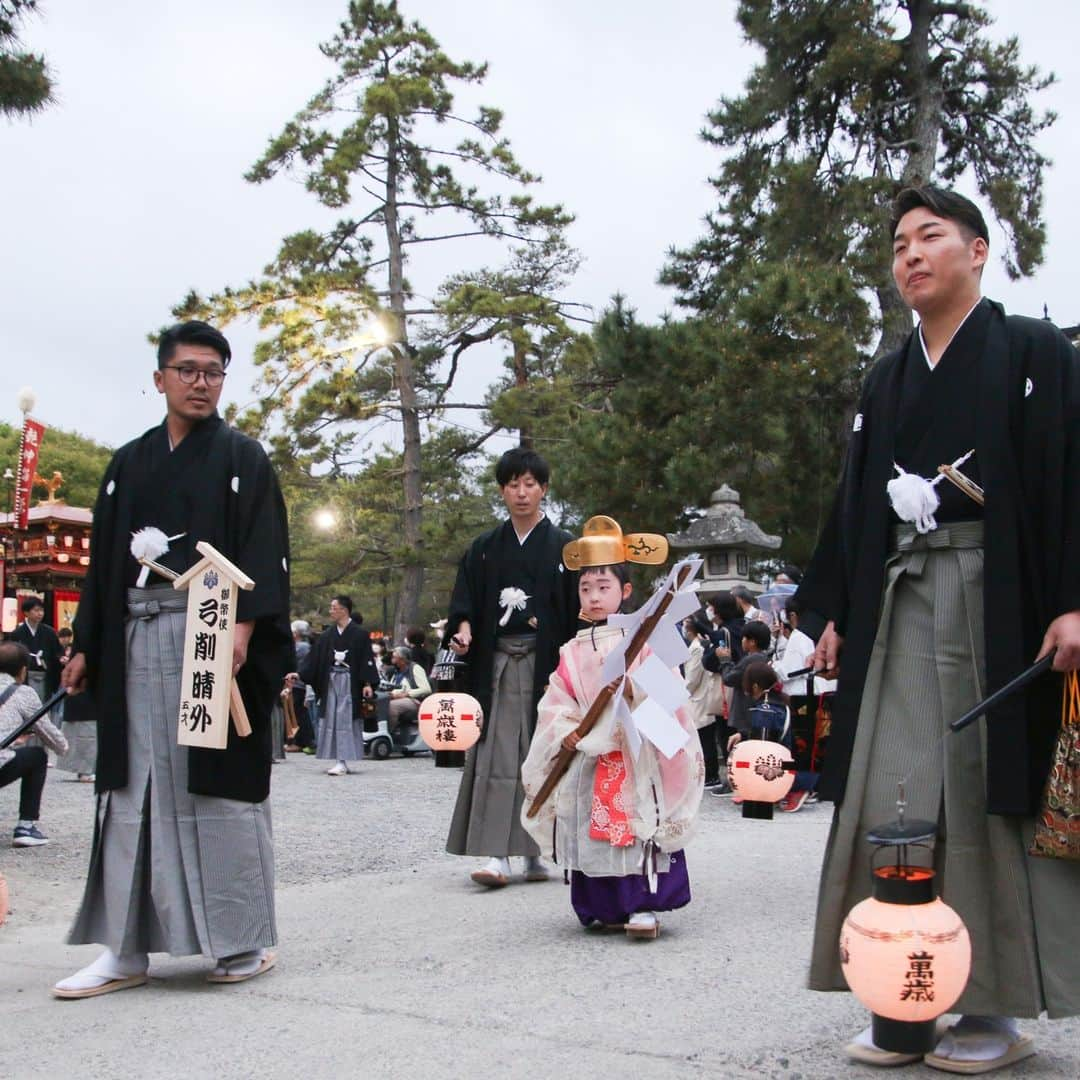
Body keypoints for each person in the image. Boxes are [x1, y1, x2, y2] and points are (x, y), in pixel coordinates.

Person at [798, 185, 1080, 1072]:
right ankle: (904, 998)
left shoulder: (1032, 349)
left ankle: (992, 1005)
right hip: (903, 594)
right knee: (898, 791)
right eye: (897, 246)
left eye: (930, 238)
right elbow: (852, 503)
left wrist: (1073, 599)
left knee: (988, 786)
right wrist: (835, 609)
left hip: (1003, 599)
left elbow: (1073, 476)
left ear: (978, 251)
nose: (910, 255)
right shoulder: (887, 374)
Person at [55, 319, 291, 998]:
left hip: (211, 634)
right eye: (187, 369)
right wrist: (84, 645)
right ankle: (126, 949)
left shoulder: (244, 458)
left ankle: (241, 939)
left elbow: (264, 546)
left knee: (211, 783)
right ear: (160, 378)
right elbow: (104, 564)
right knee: (132, 787)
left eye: (213, 371)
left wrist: (246, 624)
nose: (200, 382)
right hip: (133, 638)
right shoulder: (127, 463)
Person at [520, 522, 702, 938]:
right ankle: (599, 904)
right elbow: (557, 698)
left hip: (633, 751)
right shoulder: (572, 649)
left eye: (603, 587)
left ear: (625, 591)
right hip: (590, 750)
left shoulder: (645, 639)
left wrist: (634, 693)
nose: (594, 596)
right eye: (585, 588)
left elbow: (669, 691)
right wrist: (567, 727)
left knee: (637, 823)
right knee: (593, 823)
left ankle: (643, 904)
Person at [445, 447, 578, 887]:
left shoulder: (565, 548)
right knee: (499, 756)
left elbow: (580, 607)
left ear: (544, 489)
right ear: (502, 490)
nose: (522, 493)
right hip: (498, 663)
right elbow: (465, 600)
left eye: (530, 484)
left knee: (546, 754)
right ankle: (497, 853)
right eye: (513, 484)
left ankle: (540, 852)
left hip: (549, 667)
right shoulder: (484, 549)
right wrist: (464, 628)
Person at [295, 596, 377, 776]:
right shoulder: (326, 636)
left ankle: (343, 760)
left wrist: (368, 683)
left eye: (334, 608)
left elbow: (366, 659)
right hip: (331, 681)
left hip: (350, 682)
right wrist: (299, 674)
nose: (330, 611)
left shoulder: (360, 634)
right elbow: (314, 660)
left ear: (344, 610)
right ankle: (339, 759)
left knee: (345, 718)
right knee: (332, 718)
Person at [0, 642, 68, 846]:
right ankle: (25, 827)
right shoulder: (23, 693)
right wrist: (64, 747)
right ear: (23, 670)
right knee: (38, 756)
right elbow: (50, 735)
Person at [774, 596, 835, 813]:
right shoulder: (825, 630)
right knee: (823, 743)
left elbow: (789, 670)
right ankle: (821, 785)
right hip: (827, 691)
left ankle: (807, 786)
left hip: (805, 696)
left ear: (793, 616)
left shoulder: (799, 635)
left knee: (805, 745)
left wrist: (774, 666)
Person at [12, 597, 62, 701]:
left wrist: (61, 658)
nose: (40, 613)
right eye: (36, 610)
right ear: (26, 612)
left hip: (45, 675)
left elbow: (57, 652)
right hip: (25, 675)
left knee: (43, 707)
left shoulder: (50, 633)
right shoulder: (17, 633)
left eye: (42, 610)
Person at [381, 645, 431, 734]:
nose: (392, 659)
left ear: (402, 659)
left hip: (415, 701)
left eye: (394, 657)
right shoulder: (396, 671)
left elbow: (426, 689)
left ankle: (388, 733)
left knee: (391, 706)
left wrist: (406, 694)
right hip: (397, 698)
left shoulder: (415, 668)